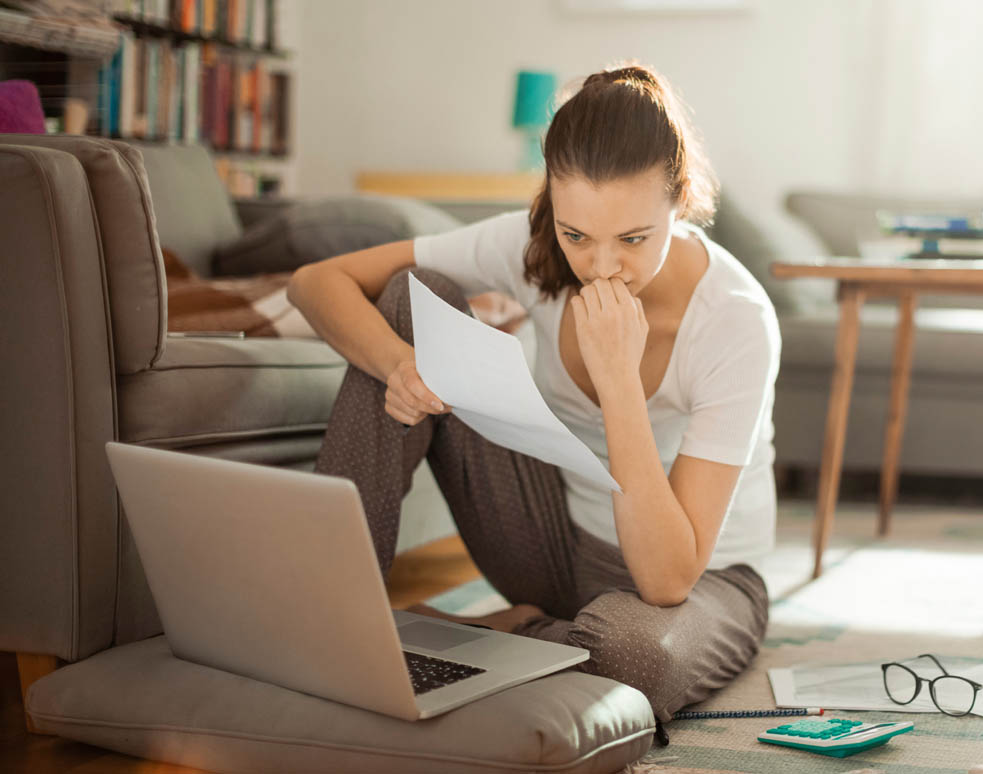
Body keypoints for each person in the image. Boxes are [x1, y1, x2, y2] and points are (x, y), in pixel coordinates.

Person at [287, 62, 779, 723]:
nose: (603, 266)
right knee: (413, 295)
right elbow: (316, 282)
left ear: (679, 201)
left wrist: (618, 383)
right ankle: (331, 622)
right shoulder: (530, 246)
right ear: (554, 204)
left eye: (634, 238)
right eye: (578, 235)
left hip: (702, 583)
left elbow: (668, 579)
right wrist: (399, 365)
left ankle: (504, 632)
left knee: (634, 661)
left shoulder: (736, 319)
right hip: (554, 543)